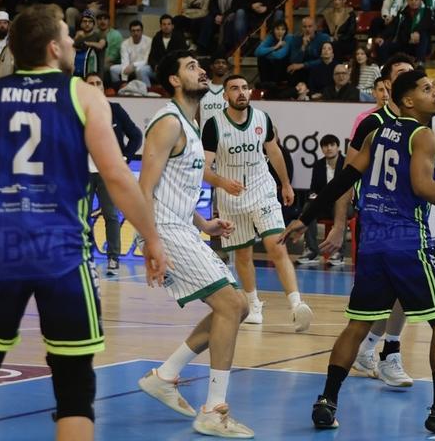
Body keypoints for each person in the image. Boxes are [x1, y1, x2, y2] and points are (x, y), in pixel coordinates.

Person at [0, 4, 167, 441]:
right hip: (63, 258)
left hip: (1, 256)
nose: (71, 42)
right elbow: (117, 177)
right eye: (66, 36)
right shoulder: (82, 94)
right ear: (51, 47)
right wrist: (152, 237)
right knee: (74, 385)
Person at [282, 69, 435, 435]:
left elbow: (345, 178)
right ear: (408, 100)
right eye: (428, 90)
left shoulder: (378, 133)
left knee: (357, 325)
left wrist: (306, 216)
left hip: (373, 243)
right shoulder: (423, 135)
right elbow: (423, 186)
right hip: (408, 240)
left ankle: (327, 401)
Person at [135, 51, 255, 437]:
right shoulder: (168, 123)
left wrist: (205, 223)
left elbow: (175, 189)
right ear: (173, 79)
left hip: (181, 226)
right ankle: (213, 410)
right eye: (191, 67)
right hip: (164, 229)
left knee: (233, 308)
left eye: (202, 67)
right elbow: (145, 189)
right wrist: (150, 243)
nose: (202, 71)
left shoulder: (189, 122)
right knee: (234, 303)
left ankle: (165, 376)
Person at [198, 73, 310, 332]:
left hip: (262, 190)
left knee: (276, 245)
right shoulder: (214, 125)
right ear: (225, 96)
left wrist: (285, 183)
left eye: (245, 87)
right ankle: (253, 304)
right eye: (234, 88)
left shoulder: (262, 118)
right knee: (243, 254)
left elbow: (274, 151)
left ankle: (296, 304)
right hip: (231, 196)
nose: (241, 92)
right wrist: (221, 182)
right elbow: (203, 168)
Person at [83, 73, 142, 276]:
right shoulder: (77, 111)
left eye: (98, 83)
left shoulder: (115, 110)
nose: (95, 86)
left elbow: (136, 135)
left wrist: (125, 158)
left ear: (103, 87)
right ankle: (85, 257)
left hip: (108, 173)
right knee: (81, 217)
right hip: (84, 172)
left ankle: (113, 258)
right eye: (91, 83)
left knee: (110, 215)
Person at [298, 134, 346, 266]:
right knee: (309, 208)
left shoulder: (346, 163)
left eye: (332, 145)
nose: (329, 148)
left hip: (344, 205)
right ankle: (311, 251)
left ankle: (338, 252)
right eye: (325, 146)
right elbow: (313, 189)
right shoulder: (318, 165)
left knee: (339, 205)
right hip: (324, 205)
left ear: (338, 147)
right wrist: (315, 196)